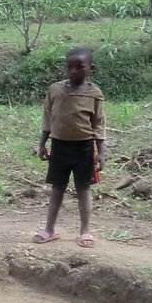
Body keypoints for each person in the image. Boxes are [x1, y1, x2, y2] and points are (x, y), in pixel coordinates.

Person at [36, 47, 105, 249]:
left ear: (90, 68)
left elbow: (99, 124)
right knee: (57, 188)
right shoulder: (55, 90)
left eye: (79, 67)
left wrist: (101, 151)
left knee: (83, 190)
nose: (73, 71)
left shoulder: (94, 94)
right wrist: (42, 143)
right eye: (69, 67)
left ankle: (85, 231)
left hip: (84, 148)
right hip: (59, 146)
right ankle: (49, 229)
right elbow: (48, 117)